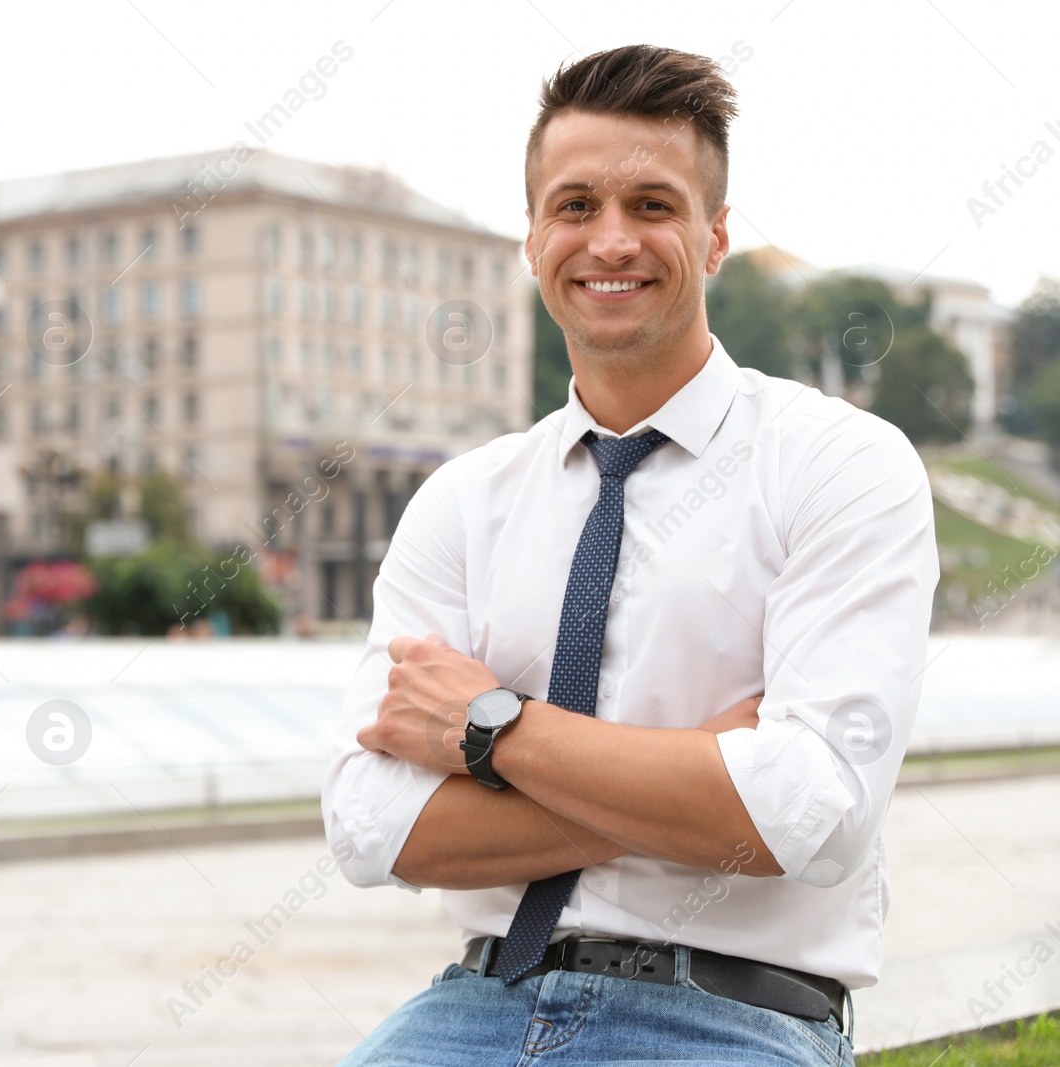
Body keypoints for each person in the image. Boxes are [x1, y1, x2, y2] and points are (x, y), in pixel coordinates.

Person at [321, 43, 938, 1066]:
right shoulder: (462, 503)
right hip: (468, 1006)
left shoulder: (840, 463)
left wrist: (489, 728)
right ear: (530, 237)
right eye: (573, 206)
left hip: (730, 1016)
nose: (611, 239)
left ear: (715, 236)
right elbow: (368, 826)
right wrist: (697, 779)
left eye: (653, 204)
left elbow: (812, 816)